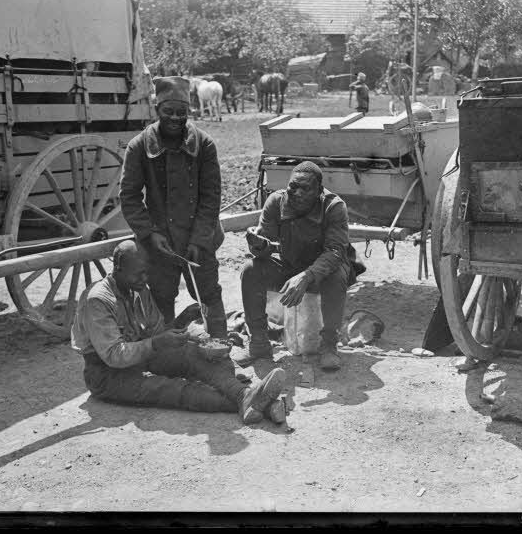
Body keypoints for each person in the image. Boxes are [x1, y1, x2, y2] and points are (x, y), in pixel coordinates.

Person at [72, 240, 289, 424]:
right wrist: (158, 342)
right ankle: (260, 403)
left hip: (138, 357)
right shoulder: (98, 300)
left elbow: (157, 332)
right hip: (106, 375)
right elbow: (114, 356)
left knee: (191, 354)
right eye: (138, 274)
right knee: (169, 389)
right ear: (118, 267)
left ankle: (246, 396)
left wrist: (183, 322)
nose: (144, 279)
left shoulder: (137, 288)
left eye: (147, 272)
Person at [119, 76, 227, 338]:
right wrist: (149, 233)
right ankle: (169, 352)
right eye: (169, 111)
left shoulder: (204, 145)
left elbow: (211, 197)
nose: (176, 118)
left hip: (199, 236)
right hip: (160, 240)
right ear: (157, 110)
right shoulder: (139, 146)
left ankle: (221, 347)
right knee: (162, 295)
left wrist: (200, 240)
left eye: (182, 112)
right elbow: (129, 196)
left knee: (209, 291)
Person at [235, 162, 358, 370]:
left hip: (322, 270)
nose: (297, 193)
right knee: (250, 270)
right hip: (289, 265)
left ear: (319, 191)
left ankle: (329, 346)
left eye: (306, 188)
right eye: (293, 187)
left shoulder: (333, 206)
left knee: (337, 277)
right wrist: (258, 245)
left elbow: (335, 252)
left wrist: (307, 276)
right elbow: (265, 247)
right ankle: (259, 344)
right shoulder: (276, 202)